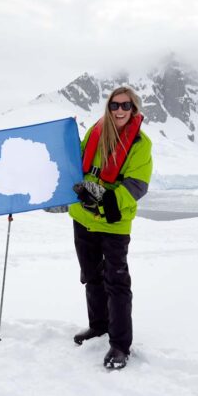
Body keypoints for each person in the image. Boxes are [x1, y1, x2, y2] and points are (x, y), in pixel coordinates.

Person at [68, 86, 152, 370]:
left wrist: (101, 203)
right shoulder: (95, 131)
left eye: (126, 106)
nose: (119, 110)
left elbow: (135, 186)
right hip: (83, 219)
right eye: (115, 105)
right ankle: (99, 327)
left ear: (134, 109)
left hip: (114, 223)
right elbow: (74, 162)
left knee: (116, 283)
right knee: (91, 276)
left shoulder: (140, 144)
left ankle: (119, 345)